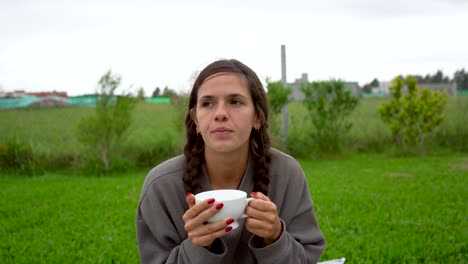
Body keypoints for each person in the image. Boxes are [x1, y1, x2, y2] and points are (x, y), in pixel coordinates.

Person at [136, 59, 325, 263]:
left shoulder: (287, 174)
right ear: (196, 119)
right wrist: (197, 247)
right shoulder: (161, 186)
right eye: (208, 103)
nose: (220, 114)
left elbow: (306, 259)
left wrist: (276, 236)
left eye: (235, 101)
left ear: (258, 117)